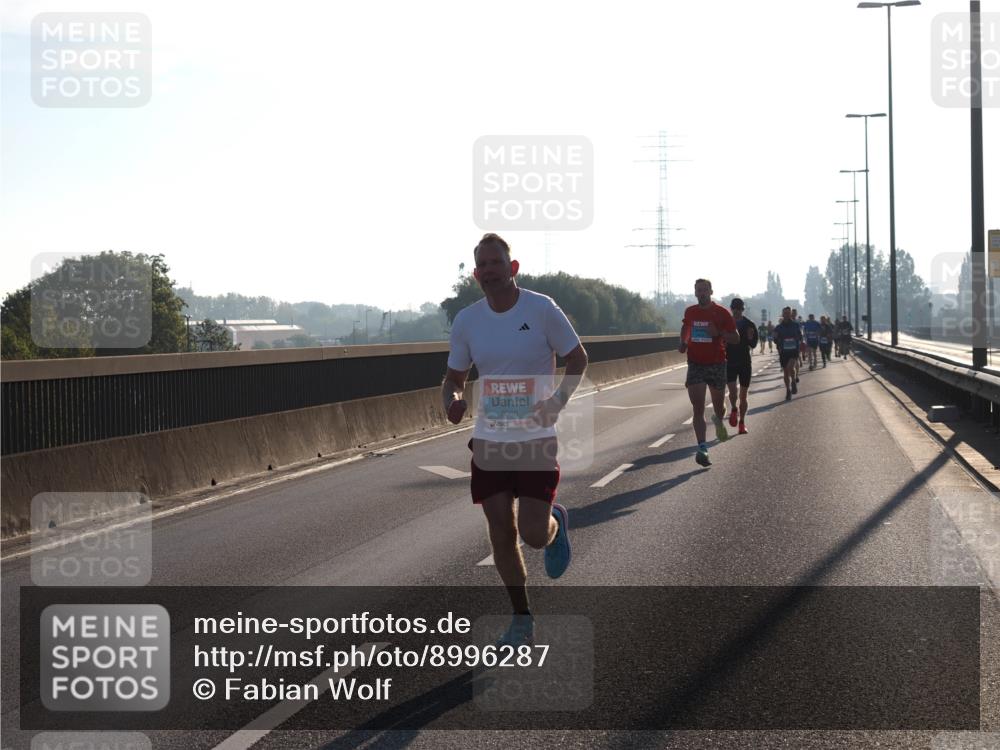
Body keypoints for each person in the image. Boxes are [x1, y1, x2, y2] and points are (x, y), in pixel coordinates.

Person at [443, 233, 588, 647]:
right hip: (489, 440)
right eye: (481, 265)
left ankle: (555, 525)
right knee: (500, 531)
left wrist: (558, 401)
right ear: (476, 275)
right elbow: (453, 378)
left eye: (495, 263)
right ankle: (522, 617)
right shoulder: (467, 320)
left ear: (513, 267)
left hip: (536, 438)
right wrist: (452, 399)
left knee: (531, 535)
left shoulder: (542, 309)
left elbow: (578, 358)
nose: (488, 270)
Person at [679, 279, 740, 467]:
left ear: (711, 291)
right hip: (696, 363)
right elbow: (686, 327)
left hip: (716, 364)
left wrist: (719, 333)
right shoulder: (690, 312)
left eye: (705, 290)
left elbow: (736, 339)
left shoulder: (722, 313)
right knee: (697, 407)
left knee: (719, 406)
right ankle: (702, 447)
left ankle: (718, 419)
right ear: (695, 293)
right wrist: (683, 341)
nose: (702, 293)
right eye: (699, 290)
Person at [725, 298, 758, 435]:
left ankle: (742, 423)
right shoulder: (726, 323)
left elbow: (754, 344)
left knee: (743, 396)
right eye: (735, 308)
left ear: (743, 309)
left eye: (740, 308)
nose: (737, 311)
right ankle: (733, 408)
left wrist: (750, 338)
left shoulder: (749, 324)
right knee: (733, 393)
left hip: (745, 362)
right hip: (730, 362)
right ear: (731, 309)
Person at [772, 306, 802, 400]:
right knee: (785, 372)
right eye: (785, 313)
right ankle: (788, 390)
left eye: (788, 313)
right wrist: (776, 339)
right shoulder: (778, 327)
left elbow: (800, 336)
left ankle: (793, 381)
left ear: (790, 314)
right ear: (782, 314)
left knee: (791, 367)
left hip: (793, 350)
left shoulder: (795, 325)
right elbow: (775, 339)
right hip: (784, 352)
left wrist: (797, 340)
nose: (786, 315)